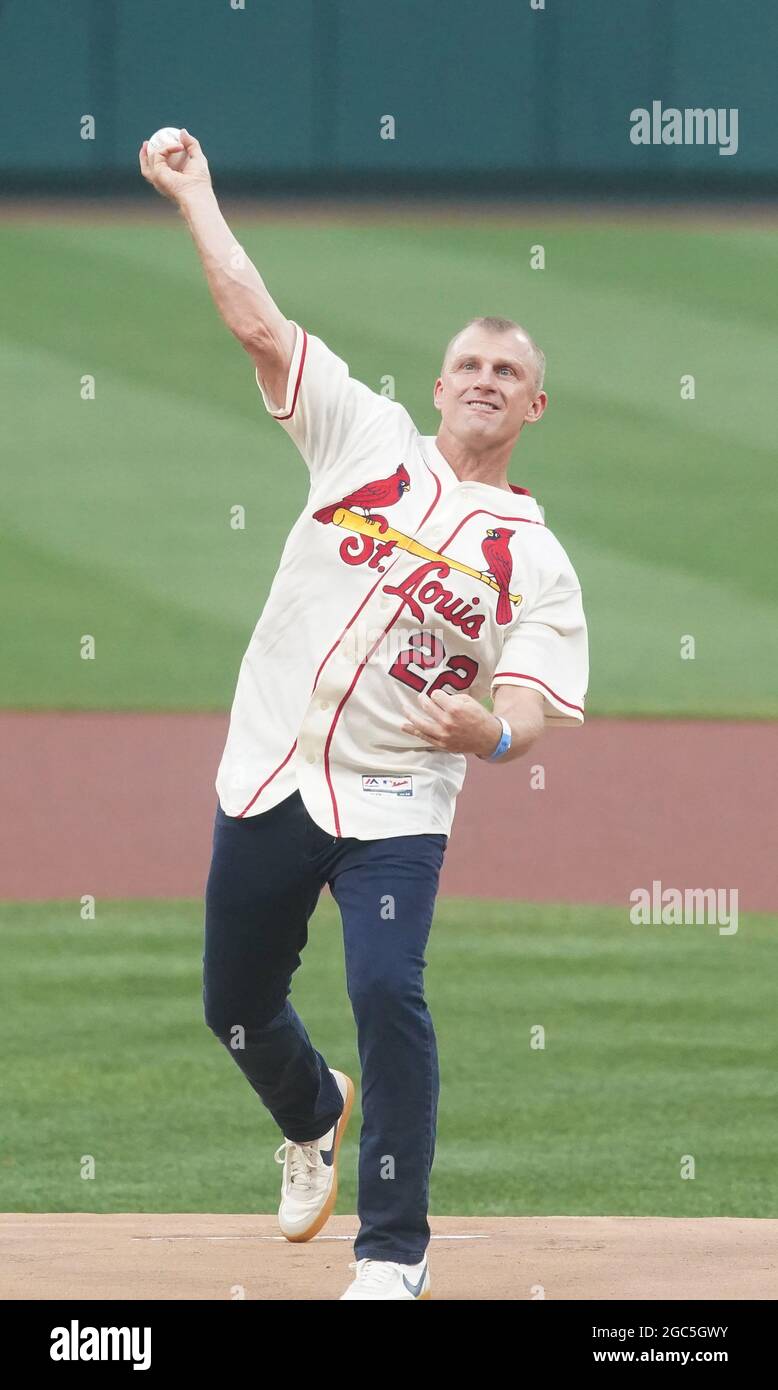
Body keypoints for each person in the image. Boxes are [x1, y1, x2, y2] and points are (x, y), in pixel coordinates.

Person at [140, 129, 589, 1301]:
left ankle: (394, 1253)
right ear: (437, 386)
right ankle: (310, 1108)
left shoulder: (534, 558)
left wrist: (487, 736)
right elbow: (255, 322)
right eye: (467, 365)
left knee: (389, 990)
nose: (484, 379)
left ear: (535, 403)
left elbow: (530, 711)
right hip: (271, 770)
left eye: (507, 371)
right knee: (232, 1005)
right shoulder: (365, 440)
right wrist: (195, 194)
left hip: (397, 798)